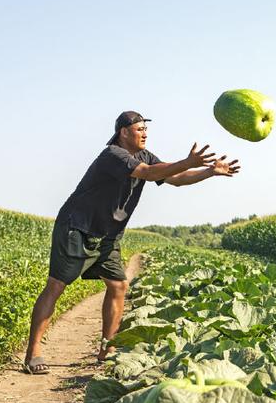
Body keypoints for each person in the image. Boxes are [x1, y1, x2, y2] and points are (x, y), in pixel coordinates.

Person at [23, 111, 240, 374]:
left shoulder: (145, 156)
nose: (145, 134)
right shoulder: (113, 155)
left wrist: (208, 171)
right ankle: (33, 352)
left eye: (146, 129)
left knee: (118, 284)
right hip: (77, 227)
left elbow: (175, 178)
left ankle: (107, 348)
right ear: (124, 132)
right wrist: (187, 160)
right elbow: (148, 173)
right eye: (139, 129)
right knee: (56, 286)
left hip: (107, 235)